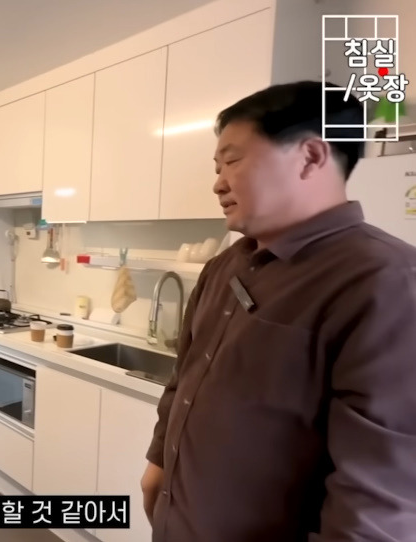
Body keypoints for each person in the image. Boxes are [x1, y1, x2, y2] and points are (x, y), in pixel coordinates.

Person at [141, 80, 416, 541]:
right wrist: (157, 462)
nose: (218, 182)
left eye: (232, 161)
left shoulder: (388, 283)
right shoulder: (222, 267)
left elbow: (377, 500)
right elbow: (182, 379)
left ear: (310, 157)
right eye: (217, 167)